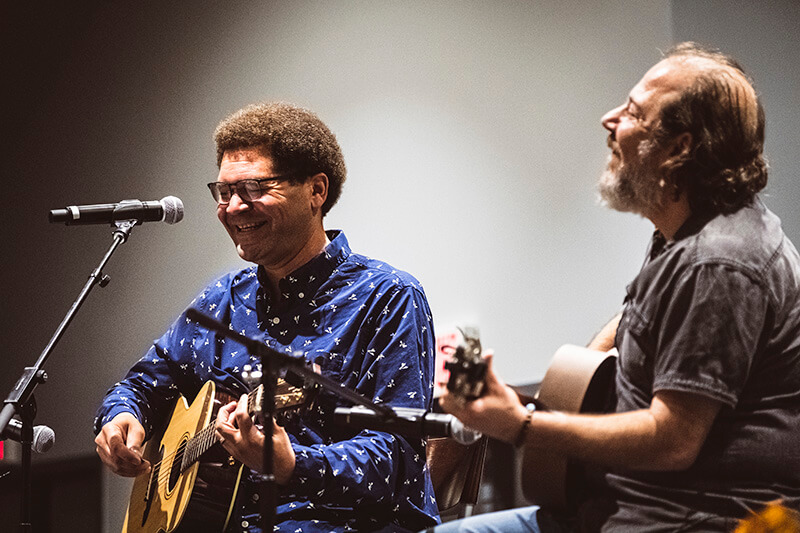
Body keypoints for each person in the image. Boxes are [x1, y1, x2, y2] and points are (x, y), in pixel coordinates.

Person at [436, 42, 800, 532]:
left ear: (678, 149)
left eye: (633, 113)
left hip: (682, 520)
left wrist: (522, 426)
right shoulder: (682, 236)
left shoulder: (717, 263)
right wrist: (553, 397)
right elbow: (639, 322)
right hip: (616, 506)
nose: (609, 120)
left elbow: (673, 440)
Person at [94, 102, 440, 532]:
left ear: (316, 191)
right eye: (224, 192)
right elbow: (143, 382)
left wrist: (294, 463)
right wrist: (120, 415)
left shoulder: (387, 297)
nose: (234, 208)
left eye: (254, 188)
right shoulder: (220, 299)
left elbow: (400, 458)